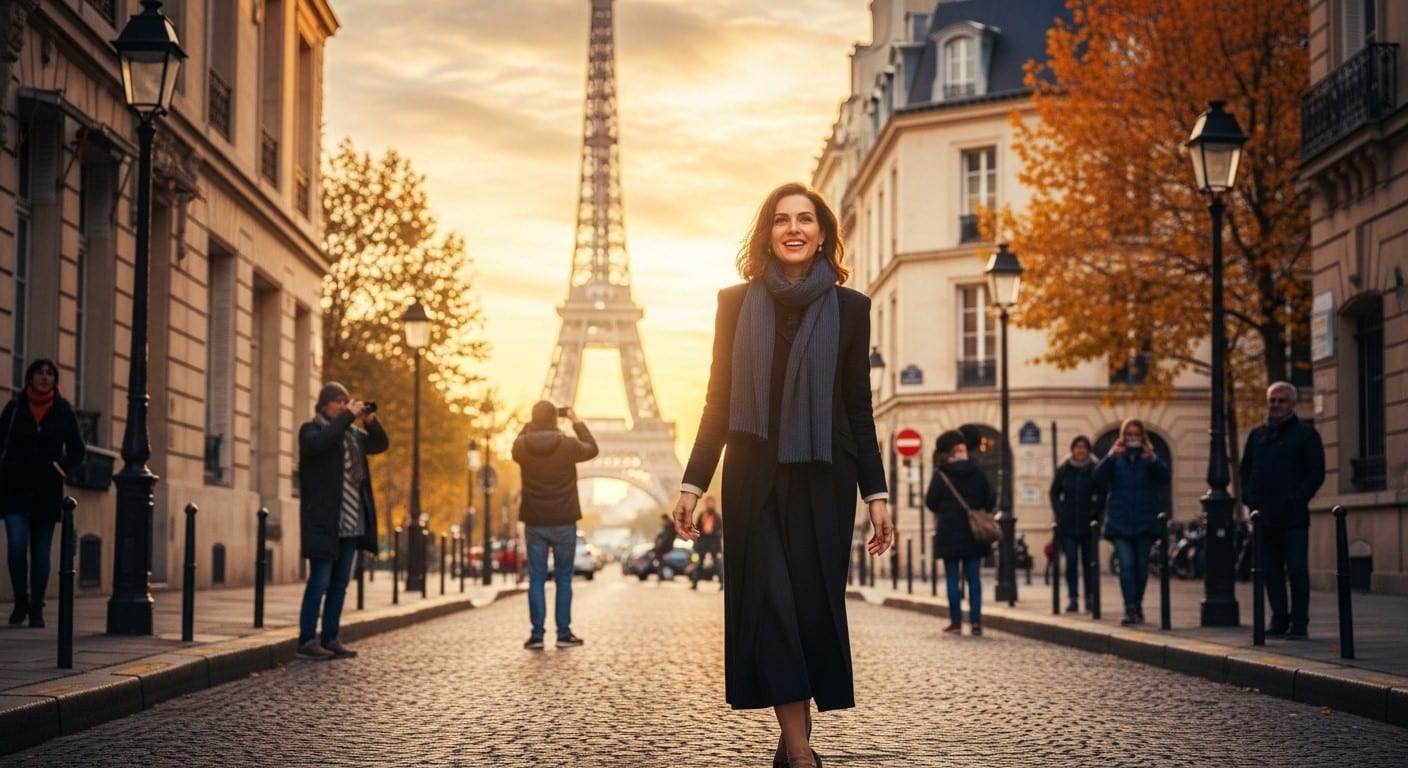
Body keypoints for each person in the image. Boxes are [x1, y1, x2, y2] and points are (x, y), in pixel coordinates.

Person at [672, 181, 892, 768]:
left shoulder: (852, 309)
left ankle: (794, 728)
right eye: (781, 219)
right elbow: (719, 400)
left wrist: (876, 492)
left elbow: (857, 407)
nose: (793, 228)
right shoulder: (734, 304)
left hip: (824, 476)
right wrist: (694, 483)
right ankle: (800, 753)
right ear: (767, 234)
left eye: (805, 219)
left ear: (822, 235)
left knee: (808, 610)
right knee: (770, 606)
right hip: (754, 477)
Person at [296, 382, 387, 660]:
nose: (342, 406)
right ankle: (307, 640)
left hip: (351, 521)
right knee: (320, 581)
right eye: (337, 401)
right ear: (323, 404)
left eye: (345, 402)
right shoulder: (310, 431)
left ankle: (331, 637)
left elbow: (380, 444)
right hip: (325, 522)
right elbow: (322, 442)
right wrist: (348, 416)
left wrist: (370, 420)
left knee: (340, 584)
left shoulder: (353, 435)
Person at [0, 359, 85, 628]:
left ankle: (36, 607)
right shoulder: (15, 407)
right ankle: (21, 599)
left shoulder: (62, 410)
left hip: (47, 491)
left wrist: (61, 468)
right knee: (16, 547)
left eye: (50, 374)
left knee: (41, 552)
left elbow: (78, 449)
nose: (45, 378)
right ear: (30, 377)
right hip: (14, 489)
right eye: (40, 373)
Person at [1239, 381, 1325, 639]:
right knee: (1270, 572)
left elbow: (1315, 474)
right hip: (1263, 517)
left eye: (1282, 400)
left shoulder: (1306, 435)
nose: (1276, 405)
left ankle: (1299, 622)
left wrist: (1296, 499)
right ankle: (1279, 619)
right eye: (1272, 400)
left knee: (1297, 570)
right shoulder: (1257, 435)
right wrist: (1250, 501)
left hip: (1293, 517)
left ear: (1292, 404)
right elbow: (1245, 471)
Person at [512, 401, 598, 650]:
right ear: (555, 419)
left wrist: (532, 423)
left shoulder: (522, 446)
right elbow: (592, 448)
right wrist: (575, 420)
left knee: (536, 578)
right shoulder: (567, 445)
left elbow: (516, 443)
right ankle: (563, 634)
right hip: (563, 521)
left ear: (533, 420)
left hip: (535, 521)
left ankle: (537, 635)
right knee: (563, 579)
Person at [1094, 418, 1170, 626]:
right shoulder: (1116, 458)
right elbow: (1097, 477)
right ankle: (1130, 609)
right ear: (1123, 436)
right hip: (1120, 521)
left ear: (1142, 436)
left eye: (1136, 434)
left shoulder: (1149, 457)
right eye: (1129, 434)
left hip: (1145, 520)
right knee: (1127, 565)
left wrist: (1153, 459)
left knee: (1141, 567)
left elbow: (1165, 478)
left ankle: (1137, 604)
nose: (1133, 438)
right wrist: (1110, 456)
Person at [925, 429, 996, 636]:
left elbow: (930, 502)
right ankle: (976, 622)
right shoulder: (977, 471)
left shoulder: (941, 474)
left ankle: (956, 621)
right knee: (973, 578)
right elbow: (990, 498)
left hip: (949, 532)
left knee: (952, 578)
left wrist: (945, 510)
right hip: (974, 533)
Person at [1049, 435, 1105, 613]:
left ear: (1088, 450)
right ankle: (1073, 597)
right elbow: (1054, 493)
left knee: (1089, 563)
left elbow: (1102, 493)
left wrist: (1094, 511)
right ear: (1073, 450)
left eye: (1084, 448)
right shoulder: (1064, 469)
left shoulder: (1094, 469)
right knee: (1071, 561)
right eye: (1077, 447)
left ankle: (1090, 597)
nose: (1080, 451)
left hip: (1088, 525)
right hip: (1068, 525)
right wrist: (1061, 512)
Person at [690, 495, 724, 590]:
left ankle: (722, 583)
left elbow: (720, 530)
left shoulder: (717, 516)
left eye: (711, 502)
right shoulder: (702, 515)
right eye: (708, 502)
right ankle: (694, 583)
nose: (710, 504)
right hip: (703, 543)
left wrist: (714, 534)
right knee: (698, 564)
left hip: (714, 543)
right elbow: (697, 529)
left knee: (717, 564)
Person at [652, 512, 678, 581]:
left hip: (666, 546)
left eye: (661, 520)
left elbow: (667, 538)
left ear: (665, 519)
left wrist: (657, 547)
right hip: (664, 546)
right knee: (658, 558)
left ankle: (661, 574)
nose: (661, 522)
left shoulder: (670, 526)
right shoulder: (667, 526)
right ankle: (661, 573)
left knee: (658, 557)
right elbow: (661, 535)